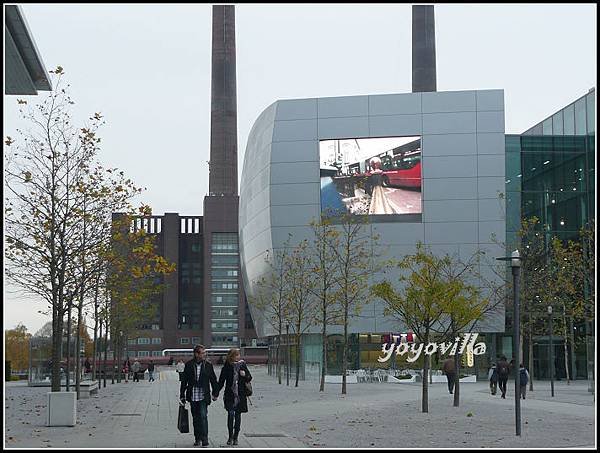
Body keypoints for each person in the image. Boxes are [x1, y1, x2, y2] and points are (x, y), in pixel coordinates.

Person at [180, 344, 219, 447]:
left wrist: (215, 393)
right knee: (195, 418)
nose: (204, 355)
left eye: (205, 353)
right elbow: (184, 381)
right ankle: (197, 438)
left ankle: (205, 439)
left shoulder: (208, 365)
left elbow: (213, 380)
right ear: (196, 354)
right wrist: (182, 395)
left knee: (203, 416)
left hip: (203, 395)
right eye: (202, 353)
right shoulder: (189, 365)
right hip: (192, 395)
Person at [217, 348, 253, 446]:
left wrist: (245, 375)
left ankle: (236, 437)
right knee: (231, 414)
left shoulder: (242, 365)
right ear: (231, 356)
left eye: (238, 355)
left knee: (237, 416)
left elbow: (249, 378)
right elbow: (221, 381)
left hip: (240, 395)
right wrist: (215, 393)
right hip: (230, 395)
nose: (238, 356)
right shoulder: (227, 367)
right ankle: (230, 436)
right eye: (236, 355)